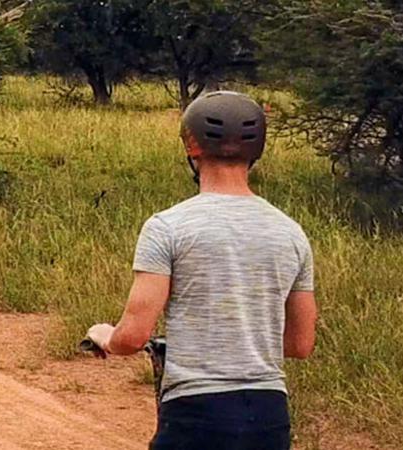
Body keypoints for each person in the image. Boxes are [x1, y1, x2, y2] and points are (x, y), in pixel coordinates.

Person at [85, 91, 318, 450]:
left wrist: (105, 336)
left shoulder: (168, 227)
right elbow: (300, 345)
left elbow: (133, 337)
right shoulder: (291, 232)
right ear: (256, 149)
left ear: (191, 147)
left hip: (197, 412)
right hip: (269, 413)